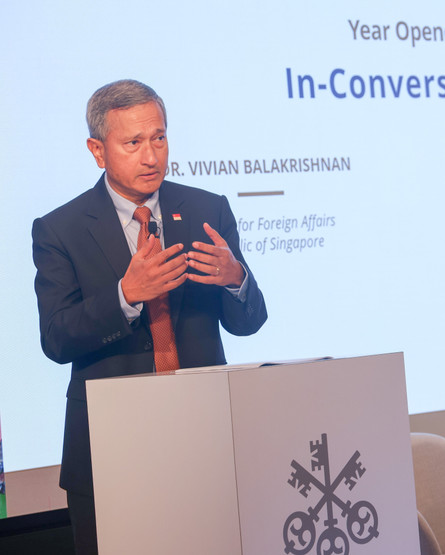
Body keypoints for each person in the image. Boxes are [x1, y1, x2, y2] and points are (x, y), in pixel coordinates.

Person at [31, 79, 268, 554]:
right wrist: (125, 296)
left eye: (159, 138)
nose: (151, 156)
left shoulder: (206, 208)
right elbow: (56, 339)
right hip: (109, 450)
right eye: (133, 142)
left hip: (205, 440)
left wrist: (235, 278)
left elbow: (247, 322)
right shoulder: (60, 229)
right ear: (98, 150)